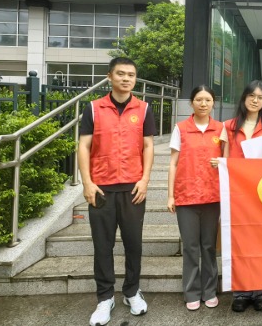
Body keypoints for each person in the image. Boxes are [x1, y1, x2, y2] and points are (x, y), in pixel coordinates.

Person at [78, 57, 156, 326]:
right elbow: (84, 146)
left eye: (131, 75)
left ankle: (132, 291)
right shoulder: (93, 108)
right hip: (101, 188)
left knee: (134, 244)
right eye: (120, 74)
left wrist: (145, 180)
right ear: (109, 76)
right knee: (103, 245)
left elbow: (148, 146)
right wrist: (87, 183)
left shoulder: (143, 109)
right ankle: (105, 297)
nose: (126, 78)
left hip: (133, 188)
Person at [167, 85, 226, 311]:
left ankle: (209, 290)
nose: (203, 104)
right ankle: (191, 292)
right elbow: (173, 163)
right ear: (191, 103)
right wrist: (170, 195)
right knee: (191, 247)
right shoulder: (181, 128)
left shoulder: (221, 129)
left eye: (207, 100)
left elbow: (228, 160)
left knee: (209, 247)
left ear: (213, 103)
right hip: (186, 197)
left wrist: (221, 163)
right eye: (199, 99)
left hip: (212, 196)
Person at [223, 80, 262, 312]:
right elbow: (225, 158)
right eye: (252, 96)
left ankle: (259, 291)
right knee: (239, 241)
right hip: (237, 193)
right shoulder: (228, 126)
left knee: (261, 241)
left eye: (260, 97)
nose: (255, 100)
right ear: (244, 98)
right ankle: (241, 292)